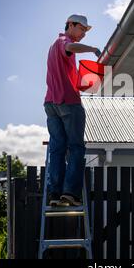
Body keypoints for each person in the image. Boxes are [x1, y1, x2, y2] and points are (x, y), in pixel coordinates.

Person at [43, 14, 100, 206]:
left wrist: (82, 83)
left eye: (85, 30)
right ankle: (70, 193)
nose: (83, 33)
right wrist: (92, 50)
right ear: (70, 25)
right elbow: (70, 47)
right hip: (68, 103)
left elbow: (65, 73)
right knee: (76, 147)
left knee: (57, 149)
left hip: (51, 104)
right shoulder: (63, 41)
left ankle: (54, 194)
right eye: (82, 29)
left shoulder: (54, 46)